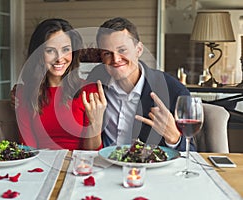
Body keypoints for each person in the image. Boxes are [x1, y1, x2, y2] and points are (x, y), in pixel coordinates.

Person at [86, 17, 193, 151]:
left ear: (139, 49)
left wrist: (174, 138)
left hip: (150, 168)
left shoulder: (173, 91)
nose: (116, 59)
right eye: (107, 53)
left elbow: (192, 152)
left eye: (122, 50)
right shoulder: (95, 81)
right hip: (106, 166)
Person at [15, 18, 107, 150]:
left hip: (79, 166)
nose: (59, 58)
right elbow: (29, 149)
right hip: (41, 167)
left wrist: (96, 123)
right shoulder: (24, 94)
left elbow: (92, 153)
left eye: (65, 49)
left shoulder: (89, 91)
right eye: (50, 50)